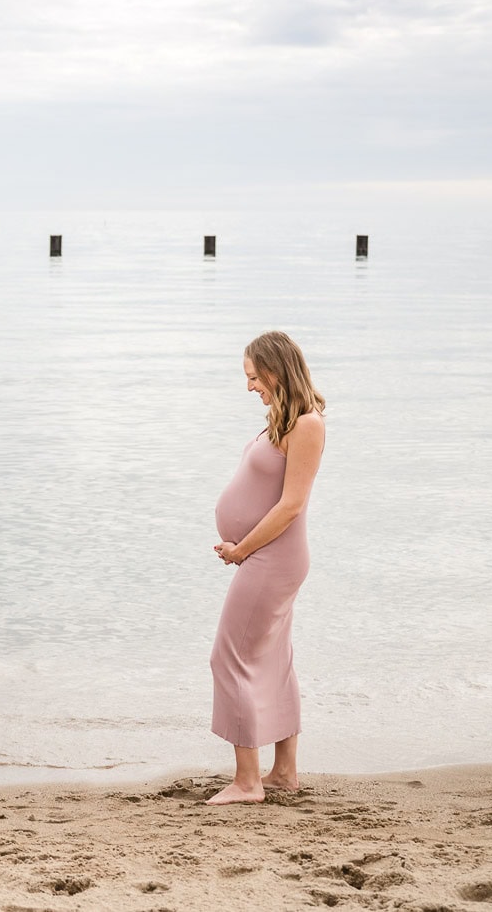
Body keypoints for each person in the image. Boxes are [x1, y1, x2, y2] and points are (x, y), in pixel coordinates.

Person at [207, 331, 325, 805]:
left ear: (276, 370)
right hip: (266, 554)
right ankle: (283, 774)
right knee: (273, 659)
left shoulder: (308, 425)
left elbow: (291, 505)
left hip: (274, 557)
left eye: (254, 377)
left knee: (229, 657)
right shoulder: (284, 419)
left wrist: (242, 551)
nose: (250, 386)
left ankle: (247, 781)